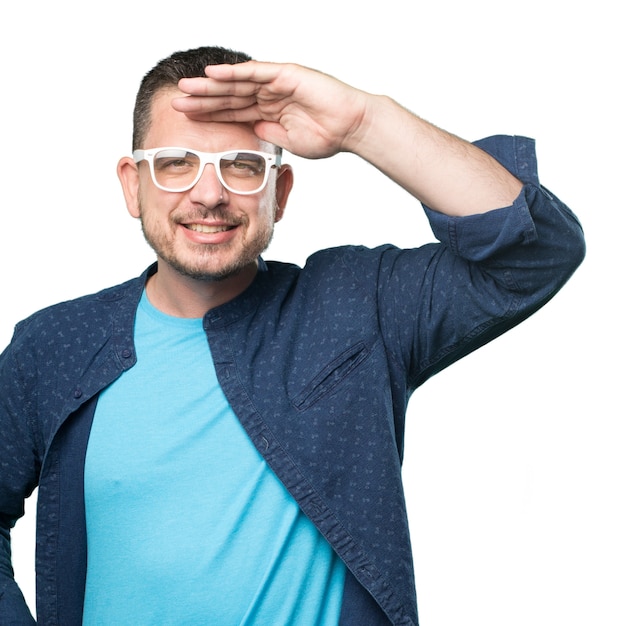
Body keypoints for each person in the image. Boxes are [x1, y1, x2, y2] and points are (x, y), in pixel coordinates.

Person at [0, 45, 585, 626]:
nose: (210, 194)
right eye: (177, 163)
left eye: (242, 165)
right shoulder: (54, 346)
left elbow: (535, 252)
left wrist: (363, 121)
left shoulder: (355, 309)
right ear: (133, 185)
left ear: (278, 192)